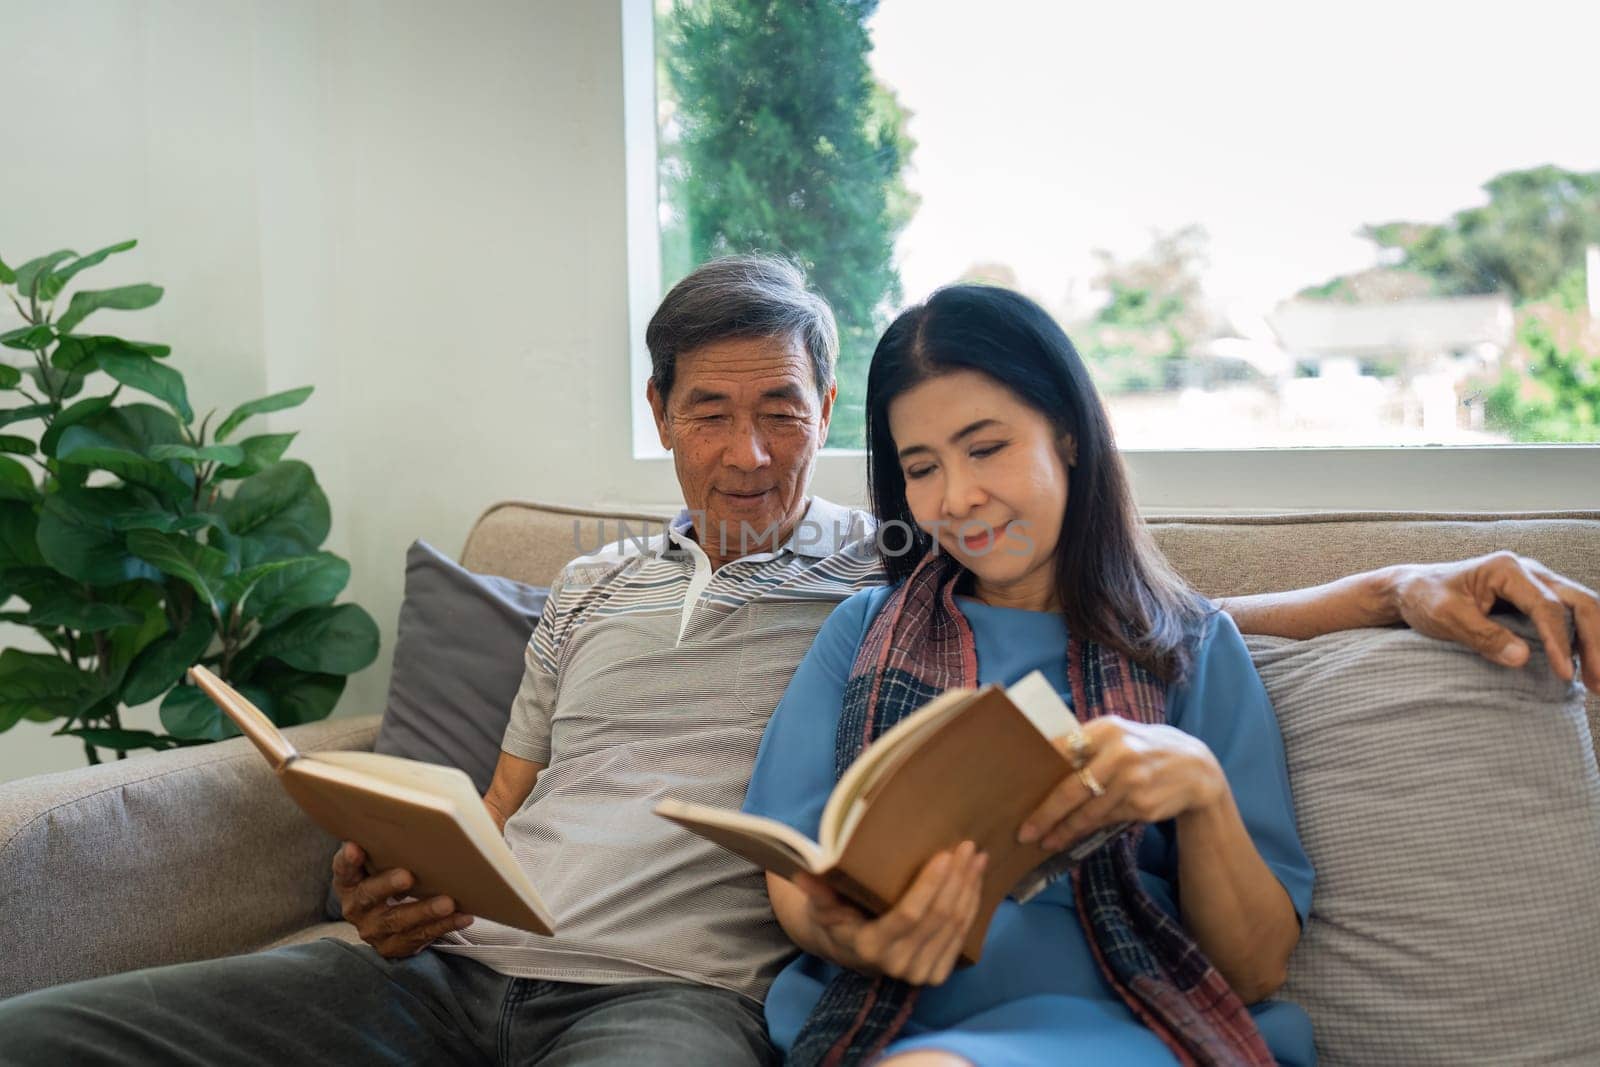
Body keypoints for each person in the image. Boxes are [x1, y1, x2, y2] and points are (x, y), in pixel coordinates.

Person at [0, 259, 1593, 1066]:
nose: (753, 453)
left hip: (676, 1001)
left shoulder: (899, 567)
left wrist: (1399, 579)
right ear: (662, 417)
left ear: (831, 426)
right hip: (453, 969)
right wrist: (399, 879)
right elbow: (518, 815)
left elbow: (1157, 621)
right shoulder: (627, 587)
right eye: (712, 412)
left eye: (788, 414)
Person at [739, 283, 1596, 1067]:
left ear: (1068, 434)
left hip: (1135, 1022)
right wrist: (857, 934)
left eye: (988, 447)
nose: (957, 496)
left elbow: (1255, 966)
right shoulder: (861, 632)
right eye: (921, 467)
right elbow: (795, 871)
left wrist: (1202, 791)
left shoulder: (1190, 645)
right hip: (887, 1017)